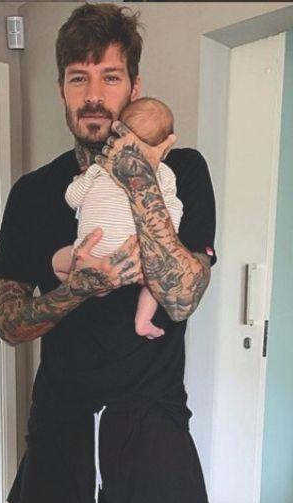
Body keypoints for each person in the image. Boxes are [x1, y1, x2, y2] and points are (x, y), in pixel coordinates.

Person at [0, 6, 216, 503]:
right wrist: (75, 289)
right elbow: (10, 323)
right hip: (62, 415)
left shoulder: (180, 169)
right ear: (61, 88)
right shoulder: (33, 195)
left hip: (149, 414)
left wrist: (136, 174)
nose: (94, 93)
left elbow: (182, 294)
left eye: (110, 76)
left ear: (133, 86)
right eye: (78, 77)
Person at [52, 97, 182, 340]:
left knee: (58, 261)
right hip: (137, 259)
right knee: (154, 285)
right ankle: (143, 321)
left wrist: (81, 181)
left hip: (90, 255)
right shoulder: (164, 174)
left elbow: (72, 199)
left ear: (115, 137)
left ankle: (94, 289)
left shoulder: (100, 167)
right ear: (165, 148)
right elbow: (172, 213)